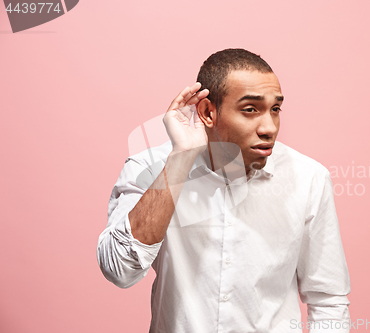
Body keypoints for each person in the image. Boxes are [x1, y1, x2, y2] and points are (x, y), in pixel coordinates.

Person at [97, 48, 351, 333]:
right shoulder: (149, 168)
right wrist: (180, 159)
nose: (269, 128)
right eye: (250, 110)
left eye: (275, 109)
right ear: (208, 112)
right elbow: (119, 270)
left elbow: (328, 297)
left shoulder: (309, 178)